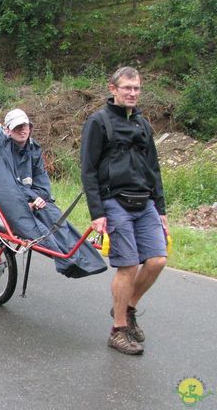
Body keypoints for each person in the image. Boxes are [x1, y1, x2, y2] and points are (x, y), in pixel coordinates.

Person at [80, 66, 168, 356]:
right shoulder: (99, 122)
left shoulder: (143, 124)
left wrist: (161, 208)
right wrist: (97, 212)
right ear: (113, 89)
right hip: (114, 202)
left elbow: (153, 168)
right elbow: (89, 169)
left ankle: (128, 307)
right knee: (128, 265)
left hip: (145, 202)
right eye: (127, 88)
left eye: (137, 88)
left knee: (156, 261)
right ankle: (118, 331)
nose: (132, 93)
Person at [0, 109, 106, 278]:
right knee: (40, 231)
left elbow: (42, 184)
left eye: (25, 125)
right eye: (17, 127)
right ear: (8, 130)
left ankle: (87, 261)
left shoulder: (33, 148)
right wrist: (28, 202)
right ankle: (66, 262)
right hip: (9, 202)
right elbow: (5, 189)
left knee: (56, 218)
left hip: (29, 198)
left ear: (30, 127)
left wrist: (38, 199)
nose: (22, 130)